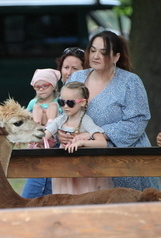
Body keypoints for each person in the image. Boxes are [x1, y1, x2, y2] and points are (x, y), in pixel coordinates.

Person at [61, 30, 160, 191]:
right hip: (84, 165)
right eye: (93, 50)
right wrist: (62, 132)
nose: (95, 56)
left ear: (116, 57)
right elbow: (63, 111)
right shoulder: (76, 78)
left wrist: (95, 134)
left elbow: (137, 122)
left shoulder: (130, 82)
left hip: (125, 164)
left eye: (103, 52)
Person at [42, 81, 109, 194]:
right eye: (61, 102)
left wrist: (81, 143)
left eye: (70, 103)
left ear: (82, 102)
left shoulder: (85, 121)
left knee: (83, 196)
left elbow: (102, 142)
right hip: (63, 167)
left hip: (82, 168)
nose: (65, 106)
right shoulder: (60, 120)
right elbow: (43, 136)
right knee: (63, 196)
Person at [21, 68, 62, 199]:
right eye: (37, 87)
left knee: (52, 107)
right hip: (38, 133)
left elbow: (62, 116)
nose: (41, 89)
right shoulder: (34, 103)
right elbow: (26, 115)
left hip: (53, 136)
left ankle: (48, 127)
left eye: (45, 86)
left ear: (53, 86)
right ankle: (37, 133)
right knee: (37, 107)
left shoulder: (58, 102)